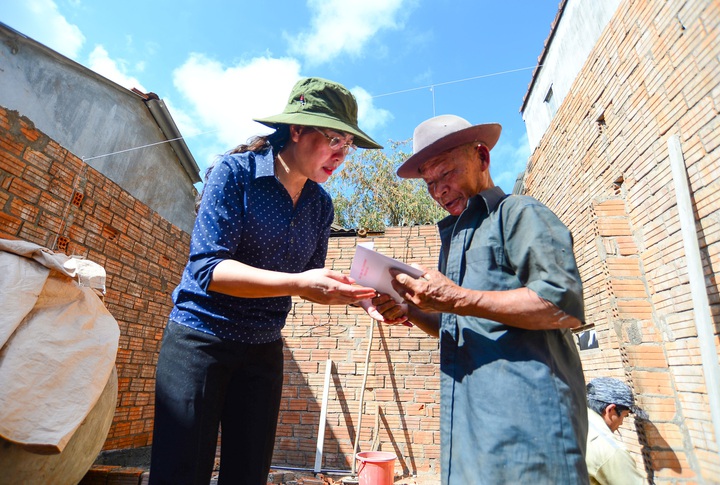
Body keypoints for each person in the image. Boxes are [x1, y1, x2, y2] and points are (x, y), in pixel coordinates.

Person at [149, 77, 381, 485]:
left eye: (349, 146)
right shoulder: (234, 174)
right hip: (199, 341)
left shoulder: (320, 205)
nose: (342, 155)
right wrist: (299, 283)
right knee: (179, 473)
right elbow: (209, 269)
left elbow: (308, 280)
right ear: (297, 129)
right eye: (334, 140)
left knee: (248, 475)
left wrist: (358, 294)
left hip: (263, 350)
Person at [369, 114, 589, 483]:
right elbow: (458, 321)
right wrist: (408, 311)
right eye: (429, 183)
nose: (438, 191)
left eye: (446, 174)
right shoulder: (455, 239)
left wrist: (455, 298)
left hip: (528, 430)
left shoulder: (519, 214)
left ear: (482, 158)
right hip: (470, 433)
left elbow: (561, 306)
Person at [586, 377, 647, 484]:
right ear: (610, 410)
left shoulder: (571, 420)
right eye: (624, 415)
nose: (621, 423)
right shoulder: (610, 451)